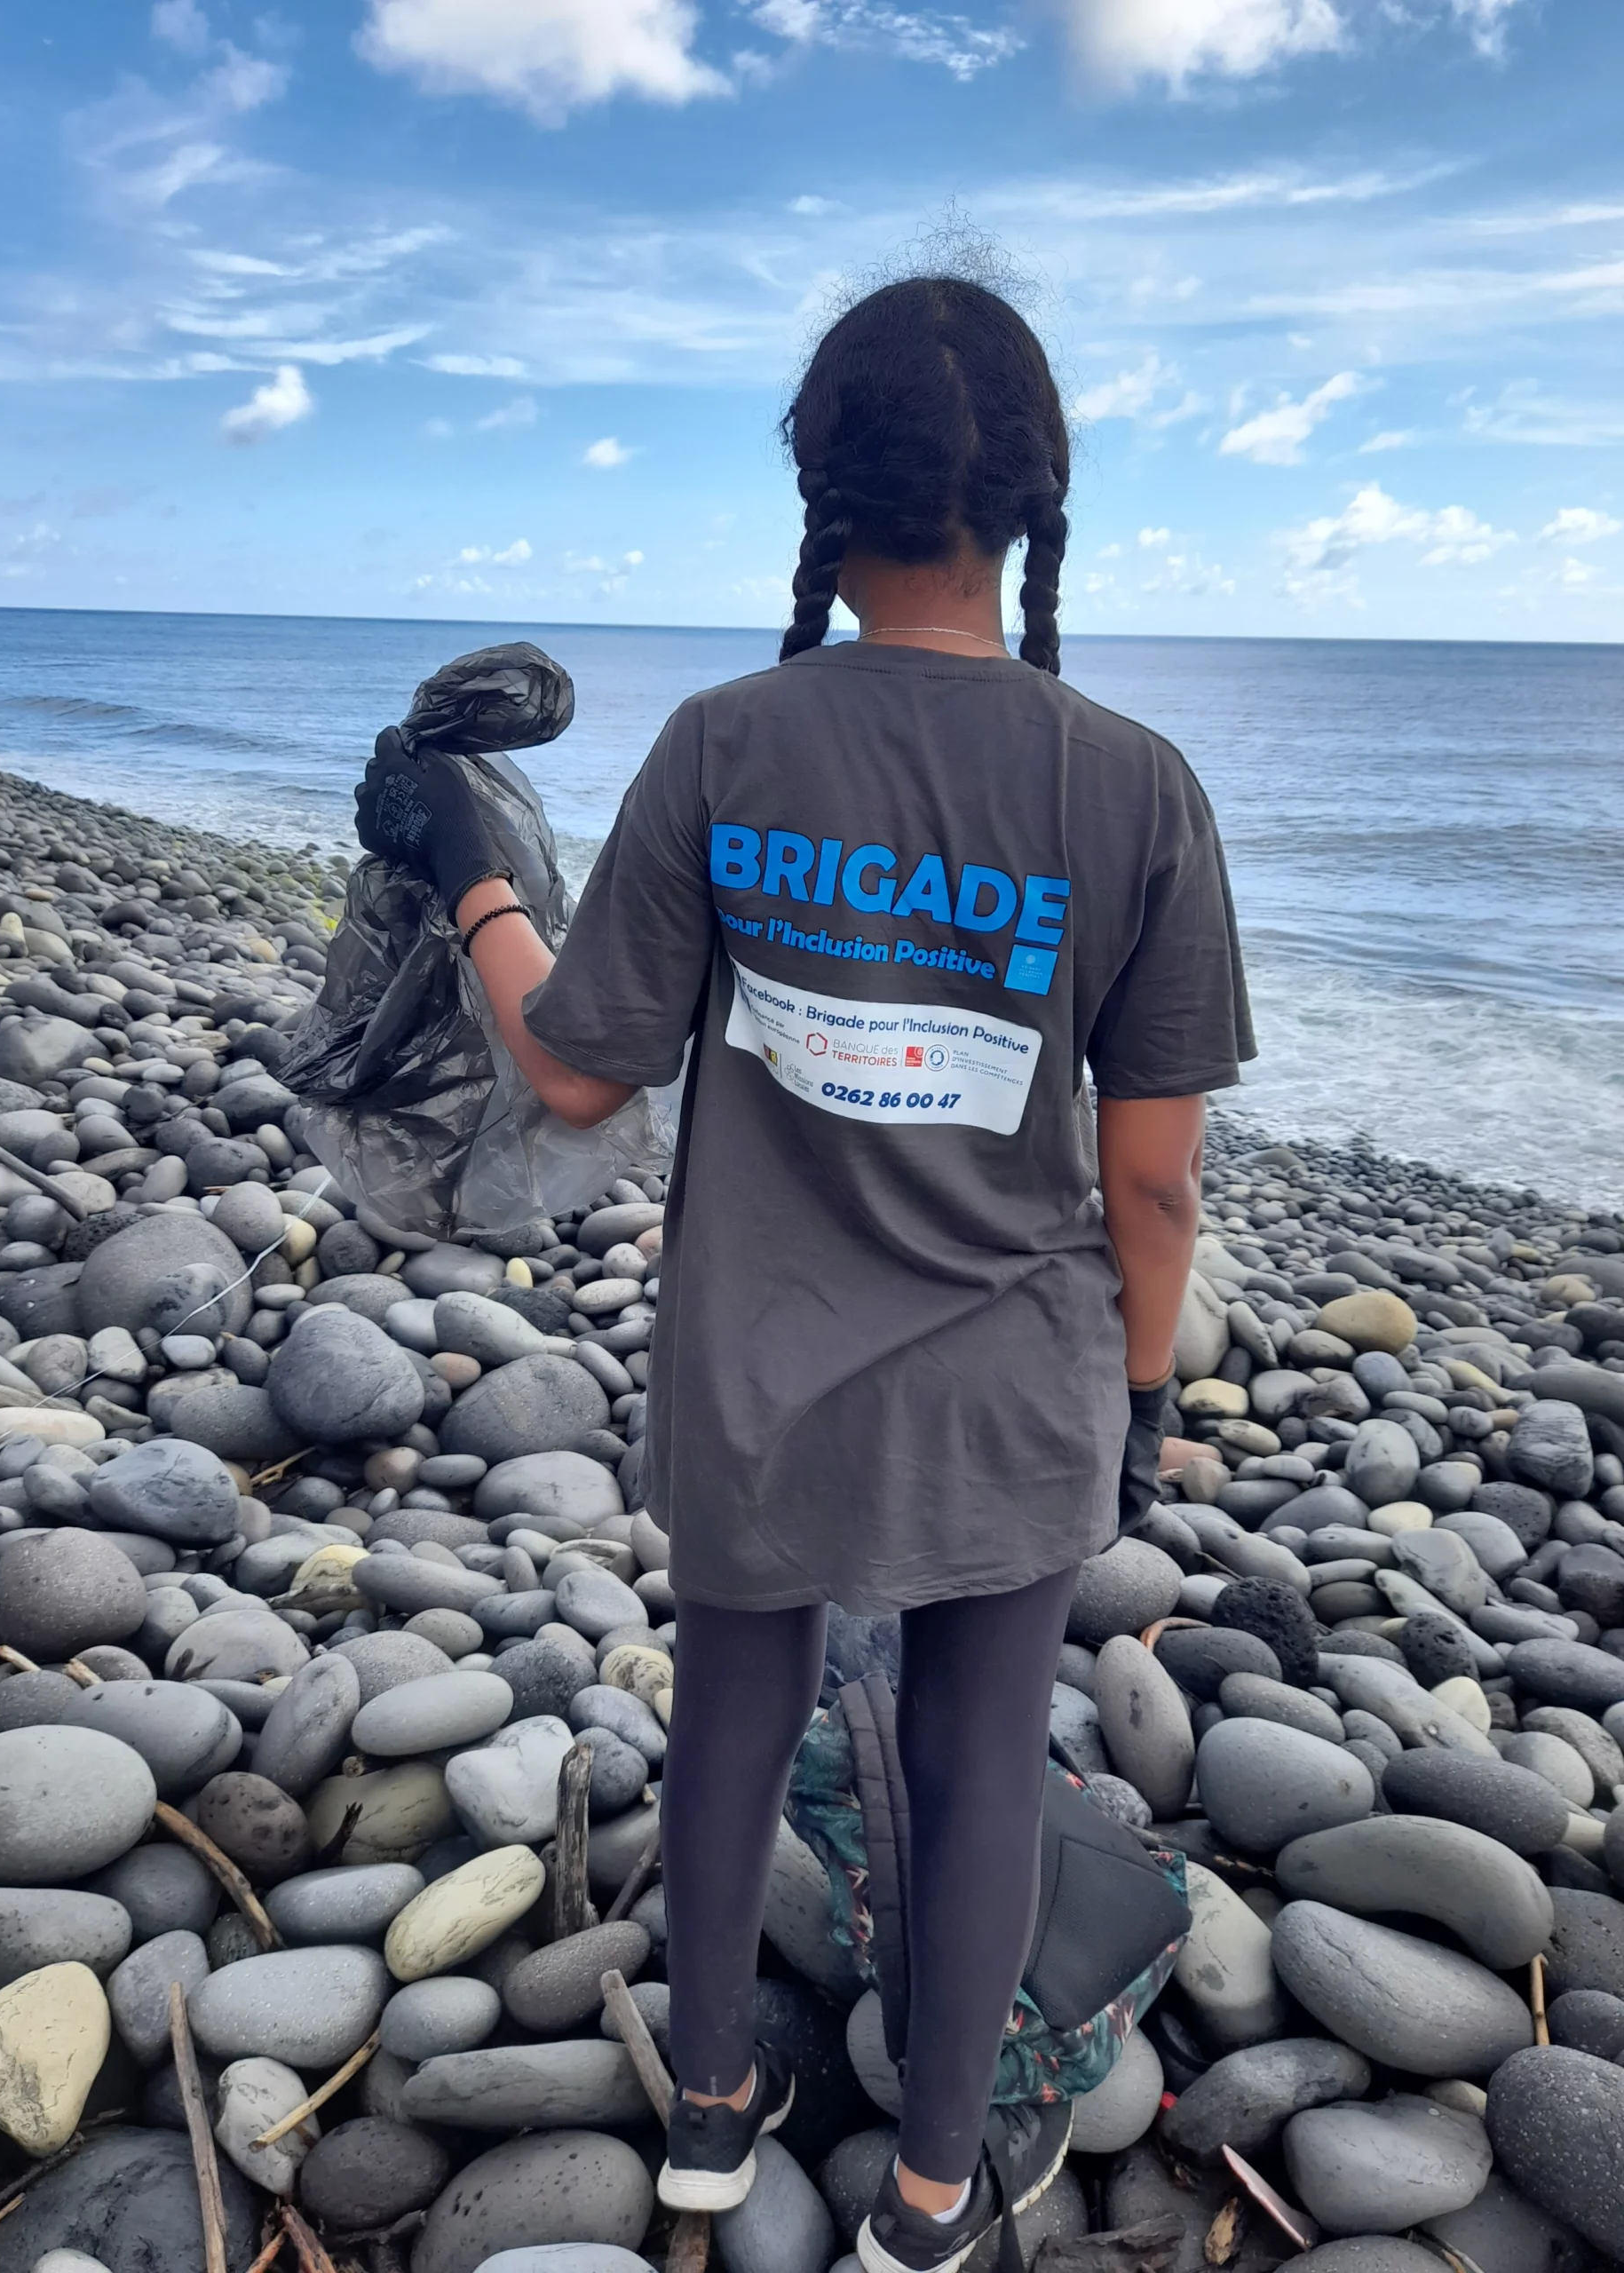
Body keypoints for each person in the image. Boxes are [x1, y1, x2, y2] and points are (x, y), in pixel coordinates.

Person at [355, 270, 1254, 2273]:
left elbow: (573, 1067)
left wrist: (471, 869)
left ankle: (704, 2115)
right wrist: (1140, 1397)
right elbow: (1155, 1186)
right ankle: (929, 2201)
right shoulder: (1137, 784)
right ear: (1030, 507)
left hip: (755, 1363)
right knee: (978, 1766)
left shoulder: (727, 742)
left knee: (734, 1725)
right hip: (1016, 1375)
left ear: (819, 502)